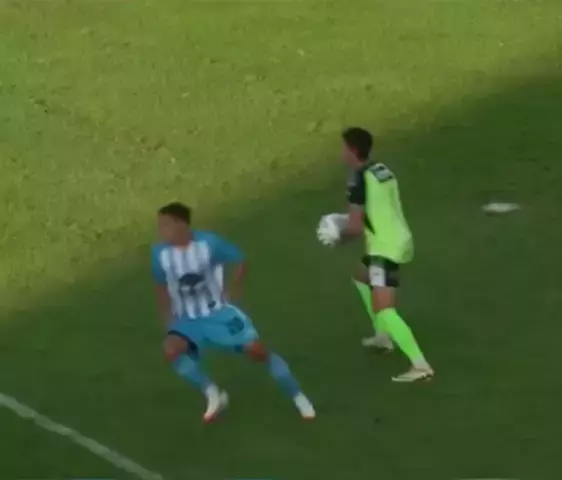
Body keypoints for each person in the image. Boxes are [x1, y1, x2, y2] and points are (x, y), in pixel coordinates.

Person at [152, 202, 315, 422]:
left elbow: (239, 259)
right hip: (187, 320)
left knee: (258, 352)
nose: (160, 230)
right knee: (172, 351)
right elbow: (161, 286)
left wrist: (234, 288)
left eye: (165, 224)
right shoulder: (159, 253)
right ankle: (212, 393)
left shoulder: (209, 243)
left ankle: (297, 395)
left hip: (218, 314)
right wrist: (168, 321)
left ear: (181, 224)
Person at [341, 127, 434, 382]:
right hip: (400, 237)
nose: (341, 152)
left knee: (384, 309)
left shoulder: (357, 181)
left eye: (344, 148)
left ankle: (420, 364)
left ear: (353, 150)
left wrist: (338, 237)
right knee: (361, 277)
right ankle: (382, 336)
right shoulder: (381, 170)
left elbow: (355, 227)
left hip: (385, 247)